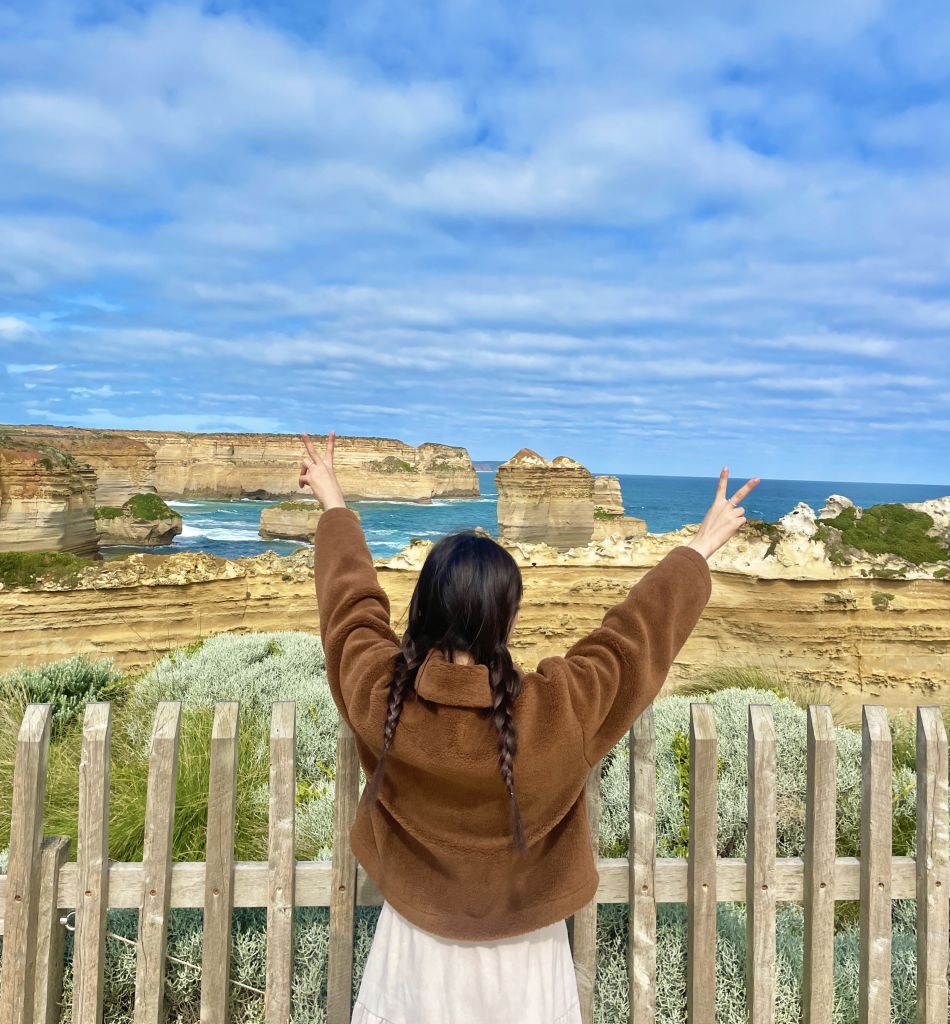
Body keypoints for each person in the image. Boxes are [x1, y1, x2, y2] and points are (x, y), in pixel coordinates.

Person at [300, 430, 759, 1024]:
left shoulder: (381, 695)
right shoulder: (557, 710)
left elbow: (351, 615)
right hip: (527, 964)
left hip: (413, 951)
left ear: (424, 610)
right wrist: (697, 549)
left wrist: (335, 506)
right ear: (509, 619)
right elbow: (630, 642)